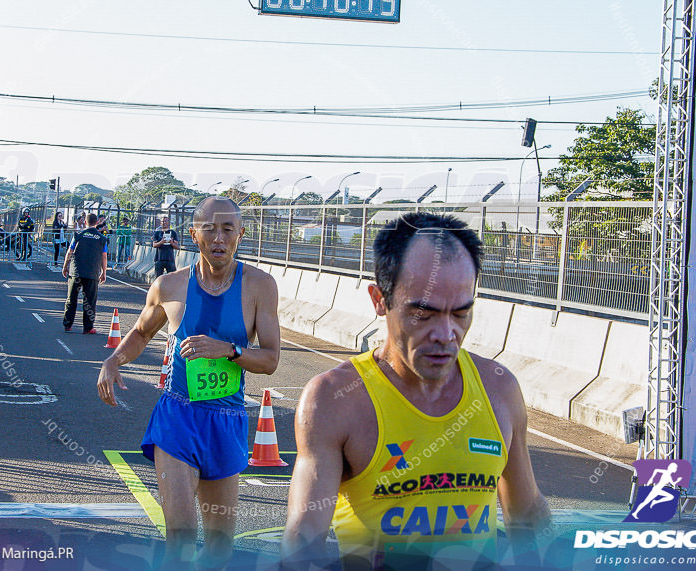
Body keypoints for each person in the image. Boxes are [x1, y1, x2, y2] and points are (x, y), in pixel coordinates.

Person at [282, 212, 550, 569]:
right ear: (379, 300)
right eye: (423, 314)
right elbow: (304, 538)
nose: (445, 334)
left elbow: (527, 512)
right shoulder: (334, 398)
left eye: (460, 313)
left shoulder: (499, 387)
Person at [97, 197, 282, 568]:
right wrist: (114, 359)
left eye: (227, 229)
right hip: (178, 420)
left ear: (240, 234)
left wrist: (228, 350)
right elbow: (141, 332)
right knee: (180, 537)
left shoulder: (260, 286)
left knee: (218, 547)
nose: (219, 237)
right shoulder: (168, 286)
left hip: (225, 421)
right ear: (193, 235)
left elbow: (271, 360)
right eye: (209, 228)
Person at [62, 213, 107, 334]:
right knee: (90, 301)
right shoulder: (102, 238)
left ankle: (68, 324)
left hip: (76, 271)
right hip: (92, 273)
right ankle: (88, 327)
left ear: (85, 223)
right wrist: (104, 272)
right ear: (97, 223)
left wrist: (65, 266)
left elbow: (70, 251)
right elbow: (104, 257)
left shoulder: (78, 235)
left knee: (71, 299)